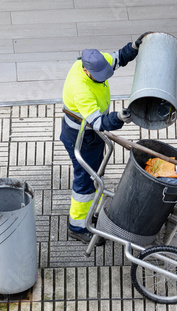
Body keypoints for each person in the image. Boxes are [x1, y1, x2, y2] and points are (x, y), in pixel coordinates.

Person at [60, 33, 150, 244]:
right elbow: (99, 123)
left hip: (92, 134)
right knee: (85, 179)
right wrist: (119, 117)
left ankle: (92, 210)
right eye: (99, 76)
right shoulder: (80, 89)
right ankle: (78, 227)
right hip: (82, 137)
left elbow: (117, 58)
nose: (104, 78)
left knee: (94, 173)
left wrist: (134, 47)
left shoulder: (95, 60)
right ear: (85, 70)